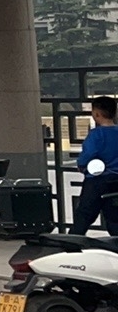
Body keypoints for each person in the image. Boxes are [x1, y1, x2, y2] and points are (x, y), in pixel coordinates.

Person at [70, 96, 118, 236]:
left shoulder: (96, 134)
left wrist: (81, 165)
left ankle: (71, 243)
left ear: (96, 113)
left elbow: (88, 154)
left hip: (97, 180)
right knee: (114, 217)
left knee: (84, 215)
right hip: (116, 181)